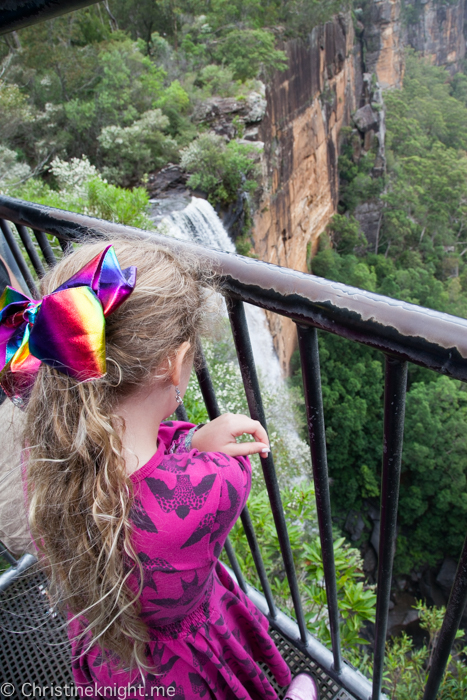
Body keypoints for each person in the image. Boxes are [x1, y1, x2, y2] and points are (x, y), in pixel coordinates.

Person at [0, 236, 318, 699]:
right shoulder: (217, 483)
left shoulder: (45, 459)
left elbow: (124, 462)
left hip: (114, 658)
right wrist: (196, 444)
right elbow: (177, 482)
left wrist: (189, 441)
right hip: (191, 664)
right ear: (173, 364)